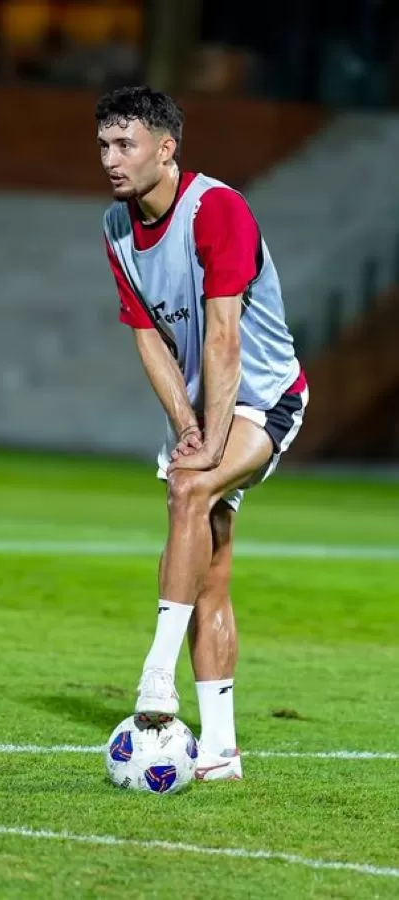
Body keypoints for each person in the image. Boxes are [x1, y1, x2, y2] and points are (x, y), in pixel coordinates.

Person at [97, 86, 309, 782]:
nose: (110, 158)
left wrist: (211, 442)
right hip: (204, 406)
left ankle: (157, 675)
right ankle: (220, 751)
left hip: (263, 397)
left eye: (125, 144)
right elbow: (150, 342)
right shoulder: (115, 227)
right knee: (209, 573)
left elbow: (224, 337)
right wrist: (186, 426)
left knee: (189, 488)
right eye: (103, 144)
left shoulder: (216, 208)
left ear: (167, 147)